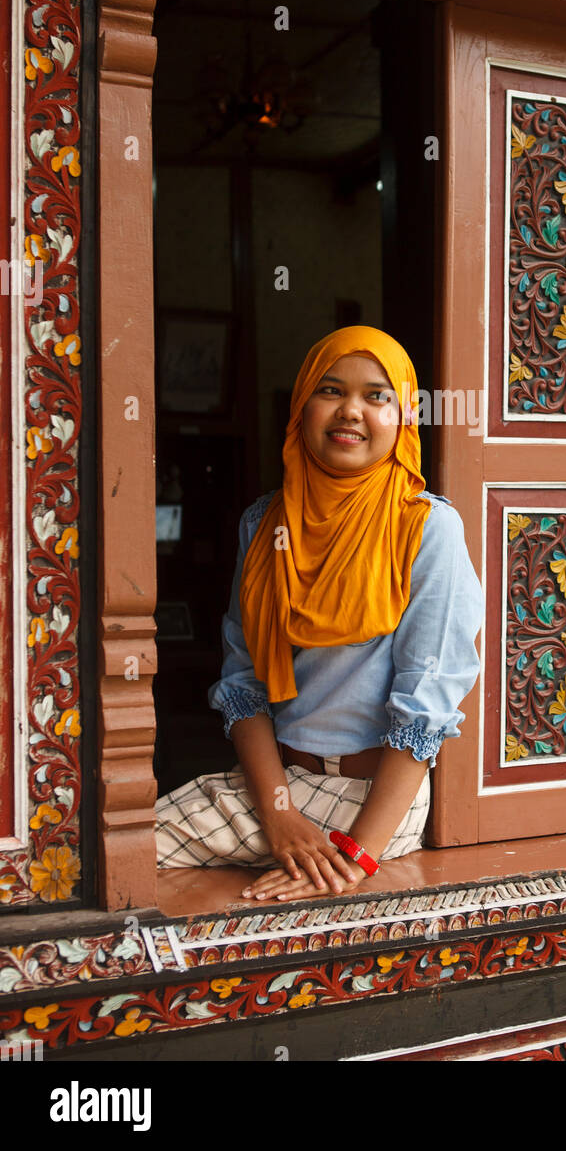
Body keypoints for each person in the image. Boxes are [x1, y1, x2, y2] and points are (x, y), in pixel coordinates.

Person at [154, 325, 483, 905]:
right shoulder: (263, 525)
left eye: (377, 396)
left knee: (127, 848)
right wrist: (280, 815)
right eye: (330, 390)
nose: (350, 411)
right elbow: (242, 682)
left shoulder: (427, 528)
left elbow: (427, 702)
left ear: (404, 414)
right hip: (279, 789)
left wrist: (357, 855)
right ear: (301, 404)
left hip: (373, 804)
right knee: (123, 857)